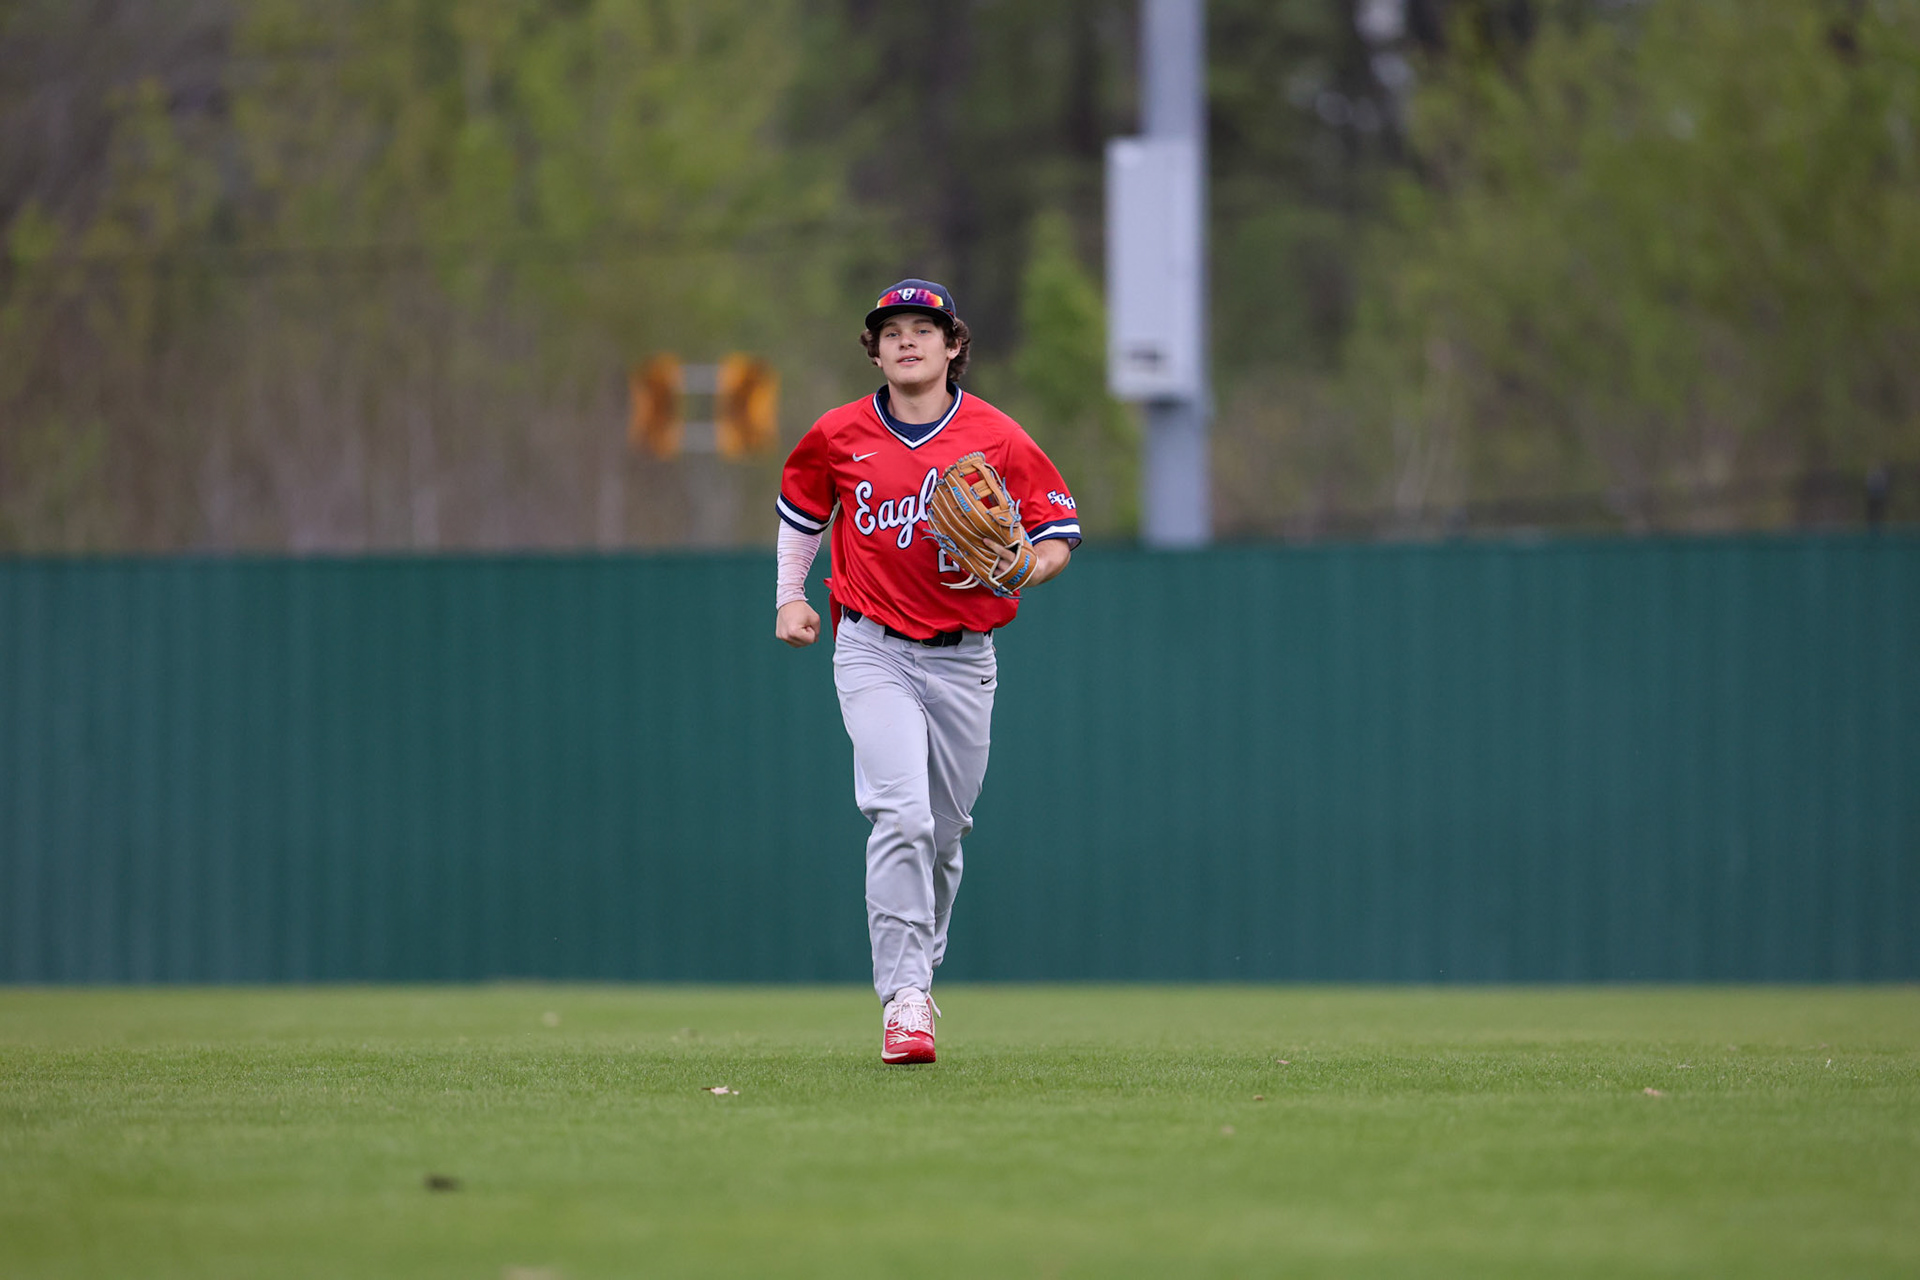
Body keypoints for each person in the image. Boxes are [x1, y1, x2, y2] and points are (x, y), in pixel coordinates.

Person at [773, 279, 1081, 1064]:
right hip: (872, 646)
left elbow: (1056, 529)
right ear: (874, 352)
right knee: (902, 817)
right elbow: (803, 510)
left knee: (943, 834)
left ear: (954, 346)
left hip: (965, 658)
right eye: (891, 331)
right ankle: (906, 998)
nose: (907, 339)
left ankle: (918, 965)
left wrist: (1031, 565)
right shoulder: (839, 433)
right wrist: (789, 596)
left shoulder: (997, 436)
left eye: (924, 327)